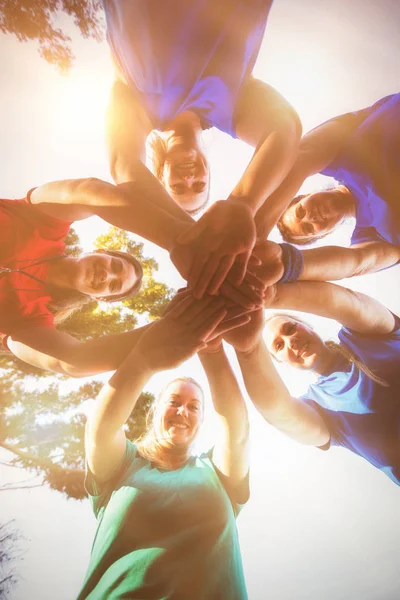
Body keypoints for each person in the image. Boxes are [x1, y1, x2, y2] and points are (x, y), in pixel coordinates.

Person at [103, 0, 302, 295]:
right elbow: (286, 129)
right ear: (208, 169)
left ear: (159, 175)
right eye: (199, 186)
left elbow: (124, 167)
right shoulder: (231, 110)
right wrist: (243, 203)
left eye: (179, 188)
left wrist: (184, 237)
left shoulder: (138, 109)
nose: (188, 179)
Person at [78, 293, 250, 599]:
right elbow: (101, 429)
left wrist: (211, 347)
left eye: (194, 407)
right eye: (174, 402)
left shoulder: (216, 471)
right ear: (155, 411)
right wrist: (144, 359)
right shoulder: (124, 465)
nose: (183, 411)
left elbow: (236, 430)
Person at [2, 178, 262, 376]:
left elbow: (71, 360)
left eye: (112, 285)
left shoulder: (30, 319)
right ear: (100, 251)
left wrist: (169, 332)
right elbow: (88, 192)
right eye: (114, 265)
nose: (106, 275)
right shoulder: (41, 223)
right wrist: (178, 238)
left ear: (99, 298)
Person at [235, 279, 400, 485]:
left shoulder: (364, 336)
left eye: (289, 329)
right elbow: (278, 412)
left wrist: (269, 294)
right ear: (281, 362)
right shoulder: (320, 406)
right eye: (279, 345)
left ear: (308, 325)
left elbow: (347, 302)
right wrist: (248, 349)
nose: (290, 341)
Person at [255, 93, 400, 282]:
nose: (310, 217)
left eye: (300, 212)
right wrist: (286, 265)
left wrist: (256, 232)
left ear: (307, 194)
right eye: (308, 228)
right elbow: (356, 262)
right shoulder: (372, 235)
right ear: (327, 233)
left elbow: (300, 160)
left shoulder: (334, 159)